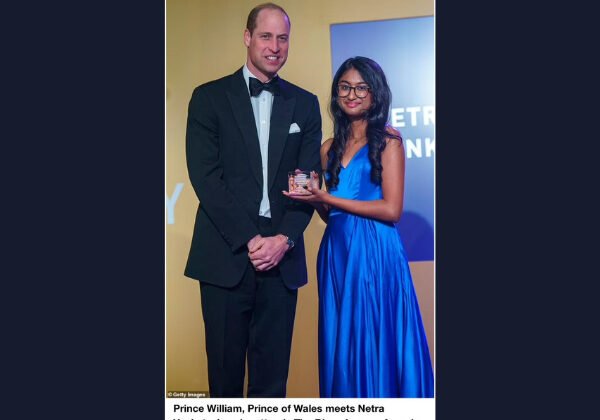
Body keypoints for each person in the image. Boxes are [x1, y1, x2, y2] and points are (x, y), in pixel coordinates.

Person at [184, 2, 322, 397]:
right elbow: (206, 178)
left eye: (283, 38)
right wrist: (251, 239)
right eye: (266, 36)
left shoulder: (305, 103)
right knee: (224, 383)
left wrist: (284, 240)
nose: (275, 47)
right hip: (226, 256)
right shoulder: (208, 98)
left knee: (272, 385)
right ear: (247, 38)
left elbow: (307, 182)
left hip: (282, 258)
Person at [283, 56, 434, 397]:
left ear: (375, 94)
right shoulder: (327, 149)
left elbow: (391, 209)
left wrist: (328, 197)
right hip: (337, 252)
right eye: (345, 87)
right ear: (336, 93)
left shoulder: (389, 140)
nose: (352, 95)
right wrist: (315, 199)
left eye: (361, 88)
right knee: (344, 341)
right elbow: (331, 215)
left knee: (377, 334)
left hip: (376, 251)